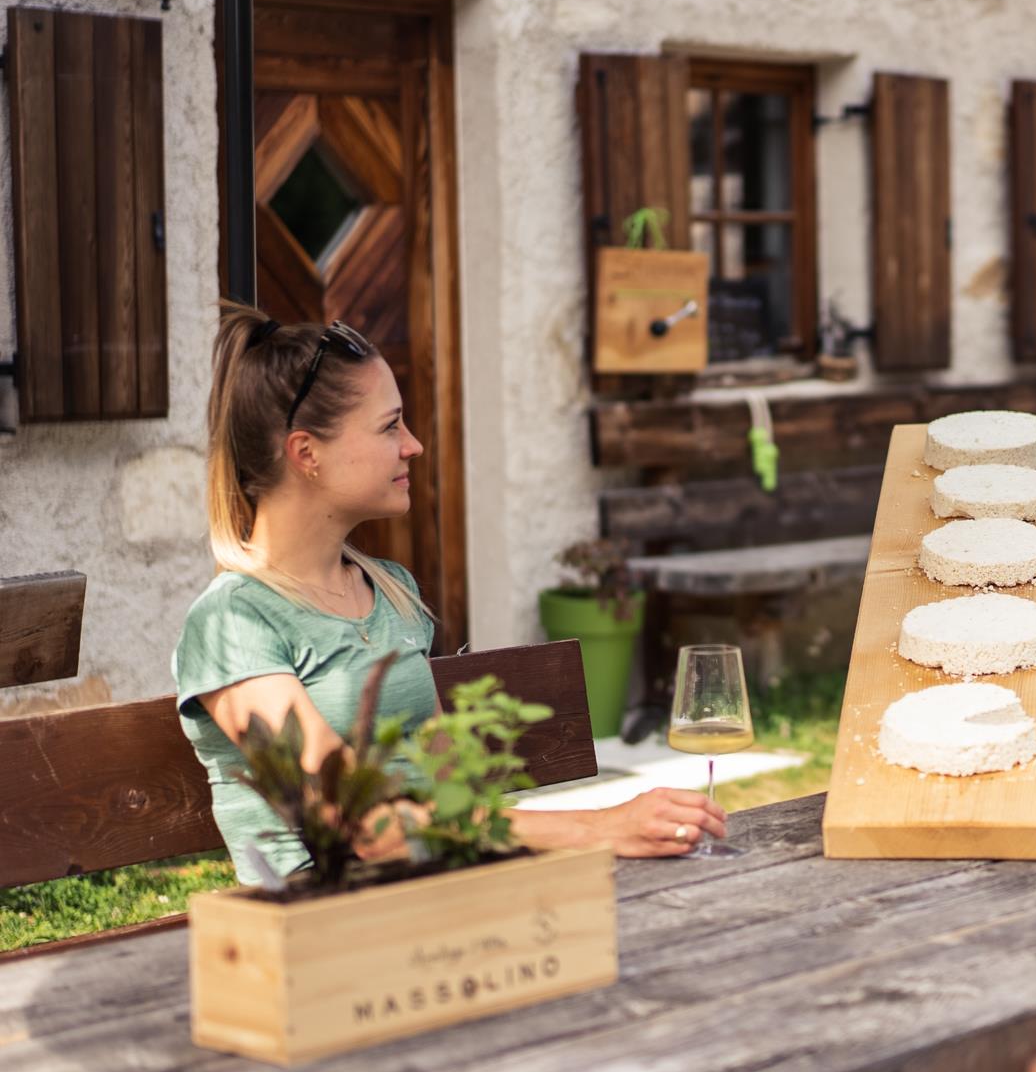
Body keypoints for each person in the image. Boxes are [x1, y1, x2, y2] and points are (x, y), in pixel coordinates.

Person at [174, 305, 728, 885]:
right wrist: (597, 828)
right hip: (326, 926)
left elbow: (456, 795)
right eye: (390, 427)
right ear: (306, 453)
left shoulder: (390, 592)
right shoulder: (232, 622)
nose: (413, 445)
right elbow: (362, 826)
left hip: (442, 889)